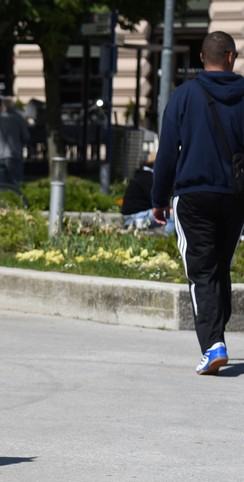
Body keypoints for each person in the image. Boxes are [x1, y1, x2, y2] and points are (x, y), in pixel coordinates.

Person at [152, 31, 244, 375]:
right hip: (235, 196)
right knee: (219, 267)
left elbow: (166, 153)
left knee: (201, 271)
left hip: (193, 196)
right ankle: (217, 335)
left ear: (202, 58)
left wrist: (158, 198)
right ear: (231, 57)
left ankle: (213, 344)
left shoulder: (184, 95)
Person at [121, 158, 174, 236]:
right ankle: (168, 240)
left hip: (129, 217)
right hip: (135, 218)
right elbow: (157, 200)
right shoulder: (149, 178)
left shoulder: (141, 176)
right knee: (172, 216)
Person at [0, 96, 30, 187]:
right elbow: (26, 137)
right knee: (17, 185)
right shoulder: (18, 118)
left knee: (0, 185)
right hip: (14, 154)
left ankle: (1, 196)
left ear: (2, 106)